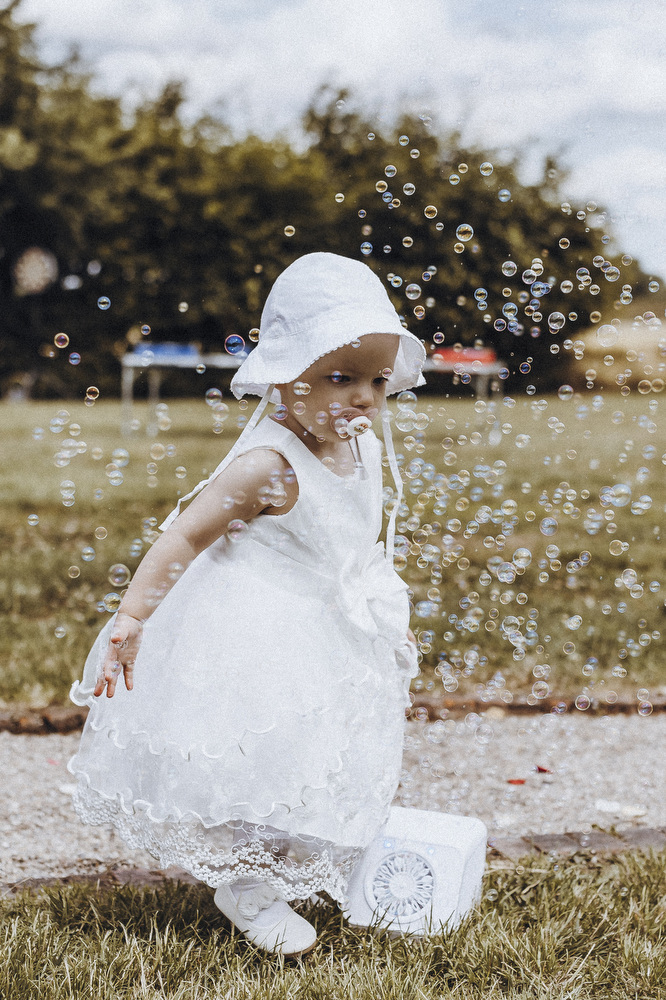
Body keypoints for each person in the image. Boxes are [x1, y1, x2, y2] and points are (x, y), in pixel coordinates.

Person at [68, 251, 426, 957]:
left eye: (377, 382)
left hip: (326, 621)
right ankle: (245, 882)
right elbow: (184, 536)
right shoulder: (267, 465)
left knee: (317, 751)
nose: (362, 399)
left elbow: (351, 538)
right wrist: (133, 617)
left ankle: (290, 865)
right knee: (253, 753)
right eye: (339, 378)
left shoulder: (362, 444)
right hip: (256, 629)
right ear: (284, 377)